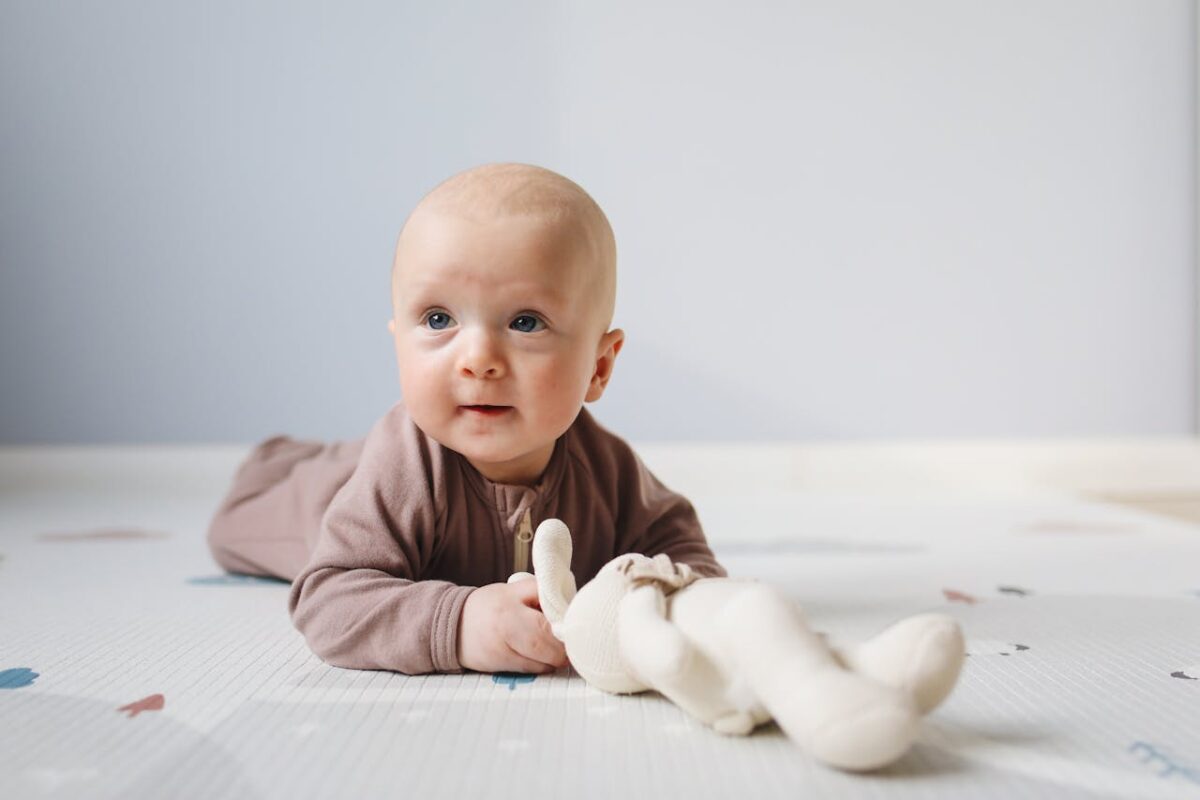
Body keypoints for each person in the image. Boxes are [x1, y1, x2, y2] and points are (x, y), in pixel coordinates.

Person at [207, 163, 725, 677]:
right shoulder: (405, 468)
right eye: (439, 319)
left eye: (525, 322)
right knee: (237, 526)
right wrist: (458, 624)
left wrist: (667, 603)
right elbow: (327, 602)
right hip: (312, 498)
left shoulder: (605, 470)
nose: (478, 358)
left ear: (599, 365)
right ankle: (280, 460)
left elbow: (681, 547)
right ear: (399, 345)